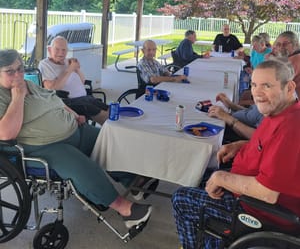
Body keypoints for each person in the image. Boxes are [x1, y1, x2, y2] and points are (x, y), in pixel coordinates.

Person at [0, 49, 152, 229]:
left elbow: (52, 98)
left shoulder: (28, 84)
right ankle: (125, 210)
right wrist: (17, 98)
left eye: (20, 68)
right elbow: (5, 134)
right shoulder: (5, 95)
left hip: (73, 129)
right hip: (44, 147)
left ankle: (133, 182)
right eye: (10, 71)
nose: (18, 74)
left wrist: (73, 113)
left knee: (109, 142)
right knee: (83, 166)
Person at [172, 59, 300, 249]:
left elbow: (268, 193)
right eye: (254, 84)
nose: (257, 93)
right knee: (198, 175)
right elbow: (271, 145)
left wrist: (221, 177)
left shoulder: (291, 127)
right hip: (248, 192)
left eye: (266, 85)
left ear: (289, 87)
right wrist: (241, 145)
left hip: (259, 211)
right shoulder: (281, 111)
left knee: (181, 198)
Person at [39, 36, 108, 125]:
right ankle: (111, 131)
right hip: (67, 102)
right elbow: (52, 87)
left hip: (84, 98)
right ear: (49, 50)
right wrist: (70, 69)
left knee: (106, 108)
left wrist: (77, 69)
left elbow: (82, 81)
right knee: (101, 114)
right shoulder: (45, 64)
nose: (61, 53)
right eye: (57, 49)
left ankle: (116, 127)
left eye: (64, 50)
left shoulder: (68, 62)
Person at [269, 31, 300, 97]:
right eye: (278, 44)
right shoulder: (292, 57)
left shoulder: (294, 59)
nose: (281, 47)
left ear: (296, 45)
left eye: (285, 44)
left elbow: (276, 81)